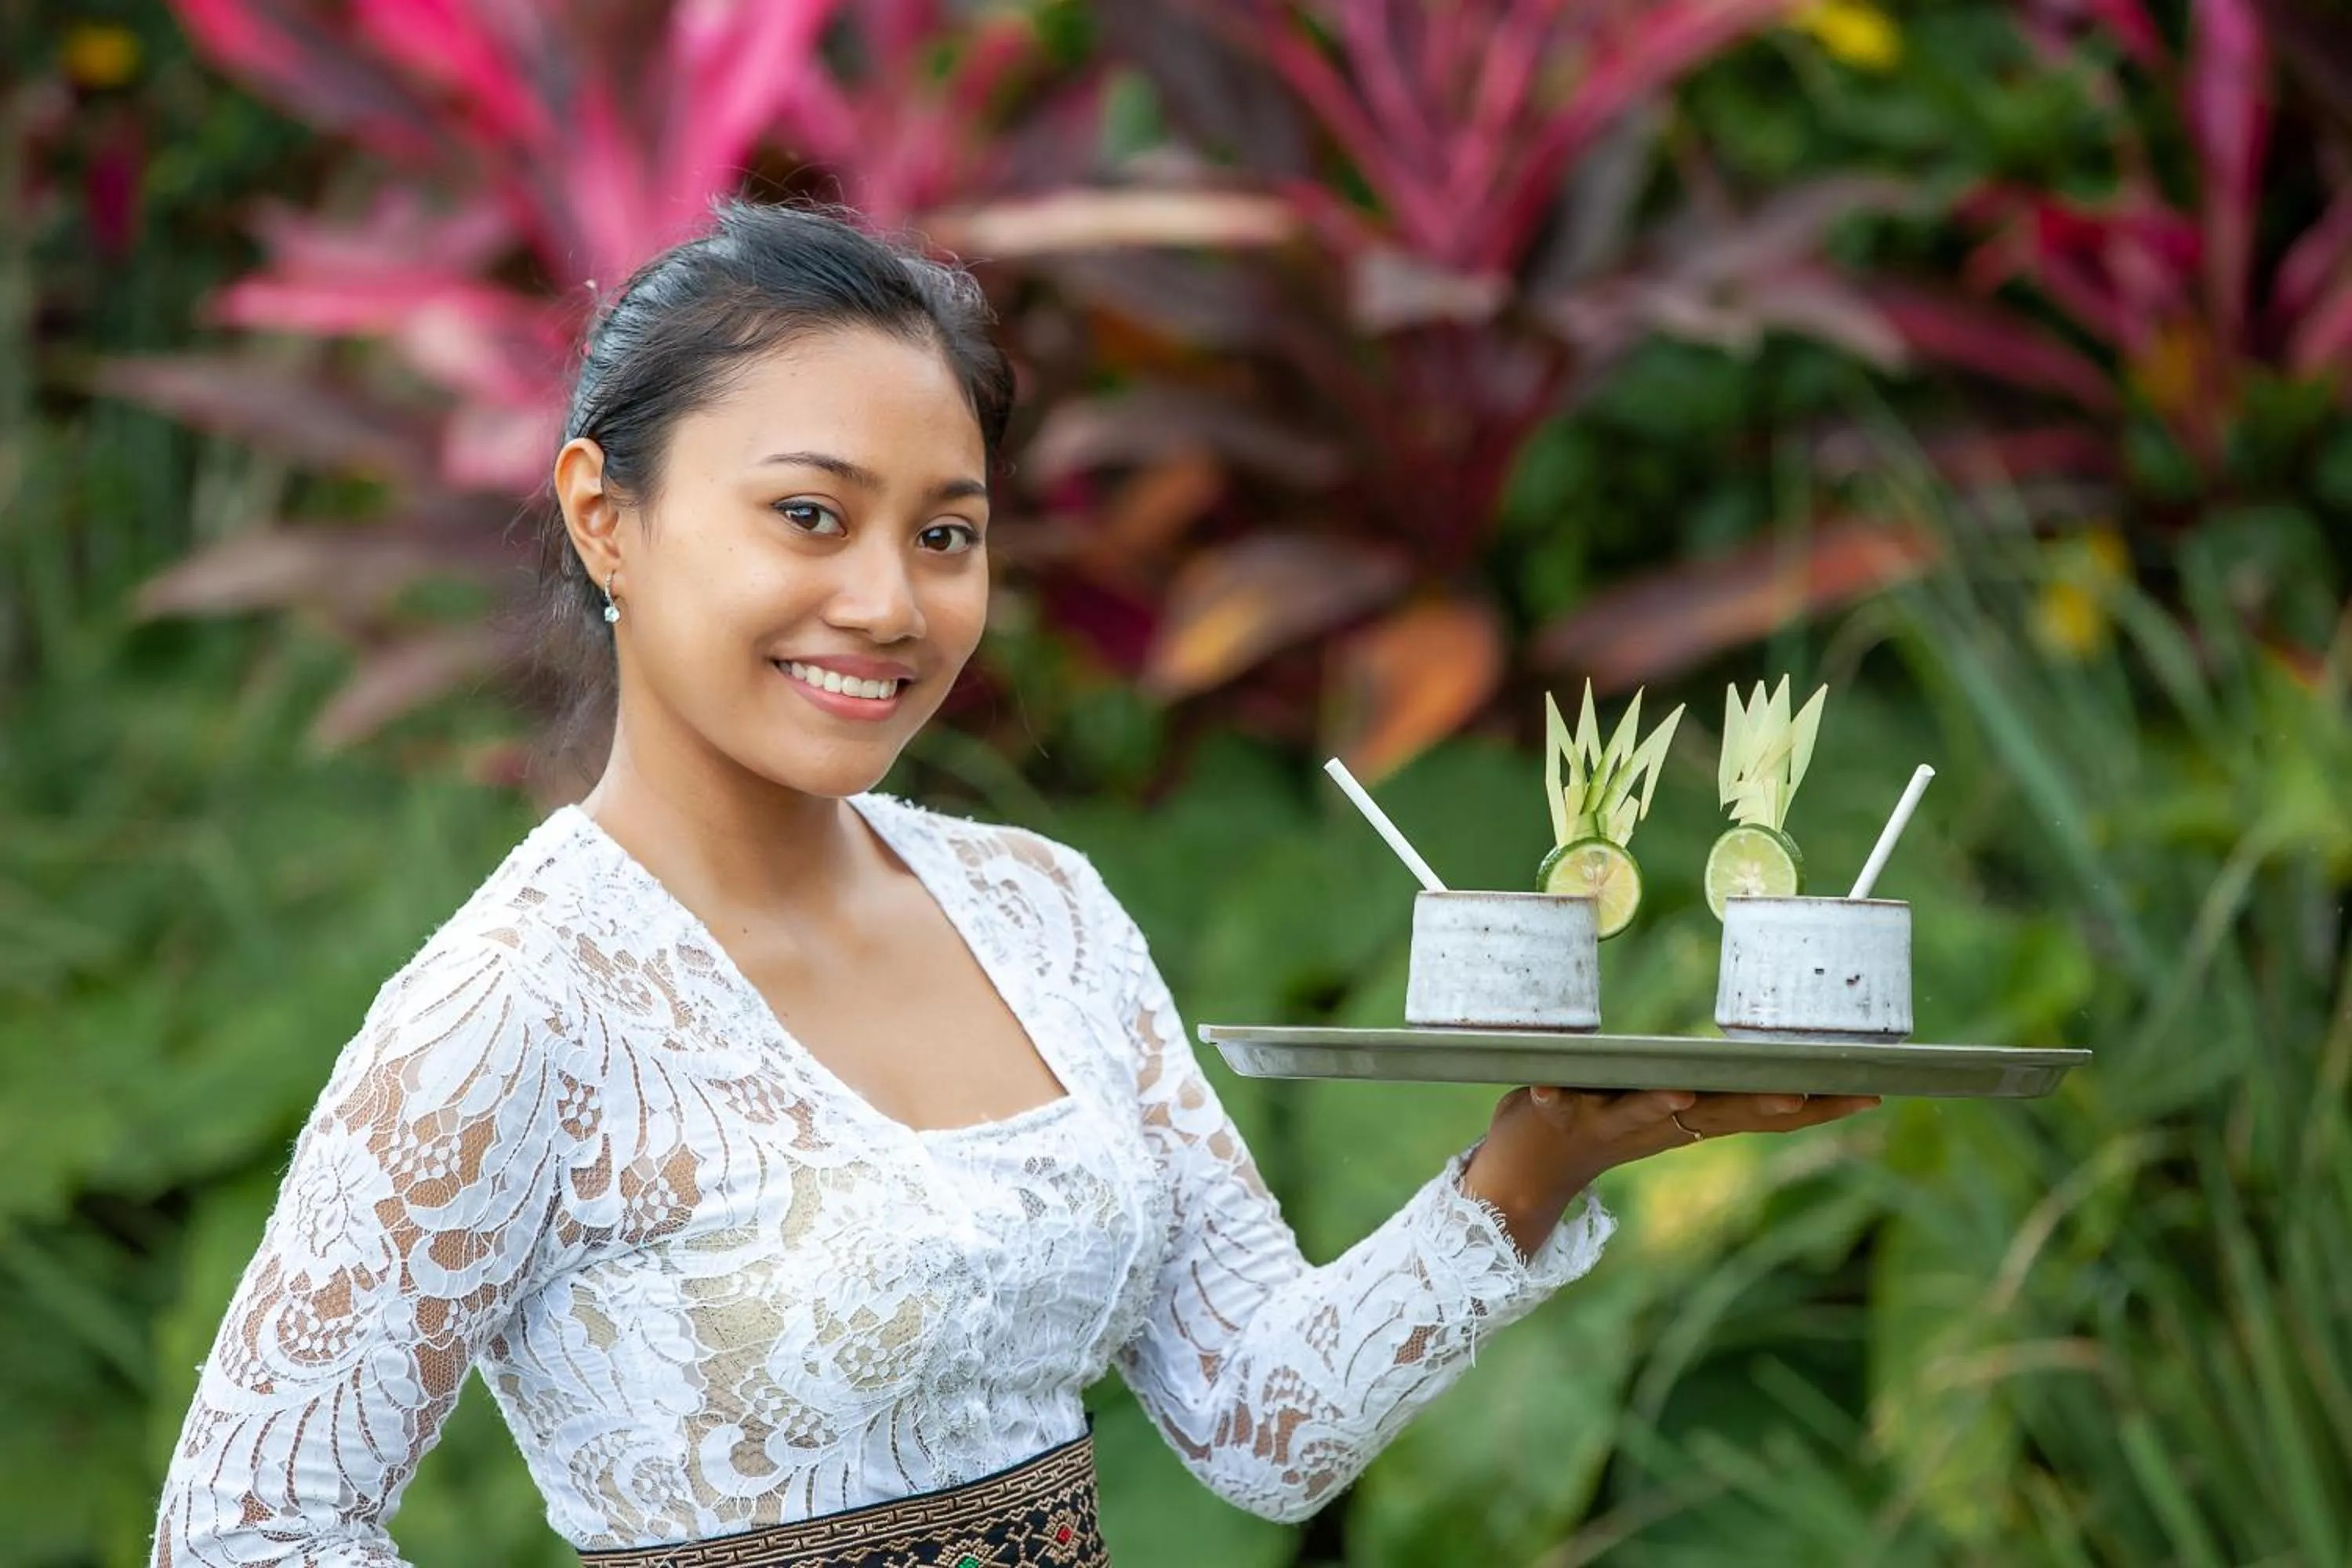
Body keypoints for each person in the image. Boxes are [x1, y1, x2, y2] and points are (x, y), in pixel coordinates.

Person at [149, 202, 1877, 1568]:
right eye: (812, 517)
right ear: (607, 516)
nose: (893, 606)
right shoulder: (511, 1008)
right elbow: (246, 1523)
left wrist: (1533, 1166)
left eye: (948, 533)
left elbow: (1258, 1423)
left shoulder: (1043, 912)